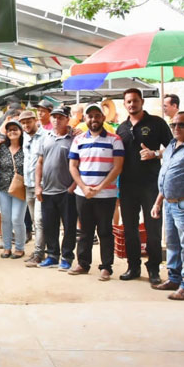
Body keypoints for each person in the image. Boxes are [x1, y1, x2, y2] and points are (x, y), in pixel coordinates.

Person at [116, 88, 172, 284]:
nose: (132, 104)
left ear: (142, 102)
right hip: (127, 186)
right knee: (130, 229)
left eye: (135, 101)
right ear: (124, 104)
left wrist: (155, 154)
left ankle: (154, 269)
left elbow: (174, 147)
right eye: (128, 101)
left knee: (153, 229)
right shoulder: (121, 128)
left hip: (151, 186)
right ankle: (133, 267)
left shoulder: (157, 123)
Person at [67, 103, 124, 281]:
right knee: (85, 231)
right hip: (83, 194)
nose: (93, 119)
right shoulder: (78, 140)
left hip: (105, 194)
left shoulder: (115, 140)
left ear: (103, 117)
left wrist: (99, 187)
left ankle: (106, 267)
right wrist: (83, 187)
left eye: (97, 115)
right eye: (90, 116)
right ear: (85, 119)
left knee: (105, 231)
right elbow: (73, 166)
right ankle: (83, 263)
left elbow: (117, 167)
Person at [151, 112, 184, 300]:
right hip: (169, 203)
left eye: (181, 125)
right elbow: (166, 176)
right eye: (173, 125)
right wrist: (158, 202)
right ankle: (174, 278)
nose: (176, 128)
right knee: (172, 244)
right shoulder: (172, 145)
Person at [33, 106, 78, 270]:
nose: (56, 120)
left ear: (67, 119)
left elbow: (78, 165)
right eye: (54, 117)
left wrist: (73, 186)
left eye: (60, 117)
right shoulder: (45, 138)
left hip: (67, 191)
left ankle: (66, 257)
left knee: (69, 226)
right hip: (47, 191)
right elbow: (39, 163)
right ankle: (52, 255)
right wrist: (38, 186)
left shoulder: (74, 139)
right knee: (49, 225)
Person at [0, 120, 27, 259]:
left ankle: (19, 247)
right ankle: (7, 248)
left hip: (20, 187)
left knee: (17, 219)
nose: (12, 132)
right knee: (6, 218)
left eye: (15, 129)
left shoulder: (26, 147)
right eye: (9, 130)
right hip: (3, 187)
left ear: (21, 131)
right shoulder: (1, 148)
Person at [19, 110, 46, 266]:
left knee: (40, 219)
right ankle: (41, 249)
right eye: (23, 123)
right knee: (36, 222)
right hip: (28, 184)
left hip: (41, 185)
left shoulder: (45, 136)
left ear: (35, 120)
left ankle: (38, 253)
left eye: (28, 122)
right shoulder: (25, 137)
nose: (26, 125)